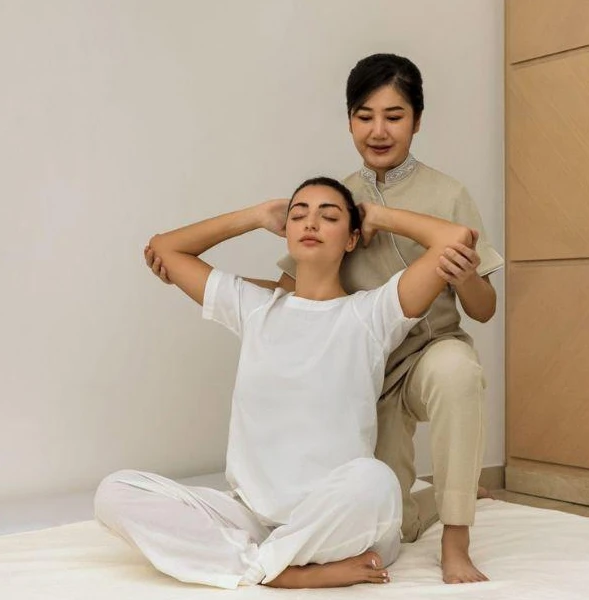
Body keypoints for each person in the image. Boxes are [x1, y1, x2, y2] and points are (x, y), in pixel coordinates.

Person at [147, 52, 501, 585]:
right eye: (364, 116)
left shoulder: (445, 195)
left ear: (417, 121)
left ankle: (456, 541)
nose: (378, 130)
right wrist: (248, 242)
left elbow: (483, 307)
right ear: (349, 120)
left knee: (455, 373)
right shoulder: (331, 197)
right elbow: (294, 298)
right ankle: (433, 503)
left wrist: (383, 217)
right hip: (363, 371)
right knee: (394, 519)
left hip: (423, 350)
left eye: (394, 116)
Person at [100, 177, 478, 589]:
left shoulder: (372, 314)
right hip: (252, 517)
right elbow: (165, 248)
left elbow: (455, 239)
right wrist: (256, 215)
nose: (310, 223)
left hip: (338, 519)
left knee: (377, 481)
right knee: (115, 491)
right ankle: (279, 569)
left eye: (329, 216)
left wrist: (377, 215)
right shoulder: (255, 308)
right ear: (286, 231)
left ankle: (258, 565)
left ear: (352, 239)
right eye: (298, 215)